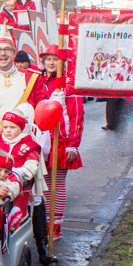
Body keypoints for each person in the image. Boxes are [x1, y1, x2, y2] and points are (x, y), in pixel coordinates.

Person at [0, 108, 57, 266]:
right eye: (5, 126)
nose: (8, 131)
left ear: (21, 128)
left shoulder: (29, 145)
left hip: (22, 185)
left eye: (12, 127)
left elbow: (31, 166)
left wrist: (16, 173)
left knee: (37, 206)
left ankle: (42, 249)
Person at [0, 27, 46, 139]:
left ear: (14, 53)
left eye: (7, 49)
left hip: (27, 139)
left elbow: (41, 110)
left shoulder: (33, 77)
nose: (3, 53)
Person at [42, 47, 84, 241]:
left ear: (63, 64)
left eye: (55, 60)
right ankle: (45, 223)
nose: (51, 63)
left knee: (56, 185)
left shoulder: (70, 85)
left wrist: (74, 144)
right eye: (48, 59)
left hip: (61, 141)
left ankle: (55, 225)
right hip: (42, 140)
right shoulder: (39, 82)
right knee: (43, 185)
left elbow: (76, 116)